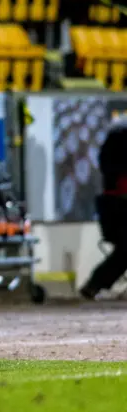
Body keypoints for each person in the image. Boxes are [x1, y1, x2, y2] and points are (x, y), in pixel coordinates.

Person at [80, 114, 127, 299]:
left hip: (115, 204)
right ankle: (95, 283)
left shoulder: (115, 139)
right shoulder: (119, 140)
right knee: (126, 248)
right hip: (118, 206)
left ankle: (95, 284)